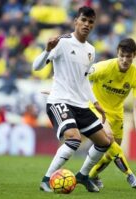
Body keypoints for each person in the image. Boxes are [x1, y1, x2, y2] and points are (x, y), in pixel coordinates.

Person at [32, 6, 111, 193]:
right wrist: (46, 50)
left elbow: (84, 81)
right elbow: (36, 67)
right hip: (59, 101)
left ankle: (82, 175)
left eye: (90, 22)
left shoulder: (91, 50)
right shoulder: (62, 42)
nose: (87, 24)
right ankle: (46, 180)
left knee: (105, 142)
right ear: (76, 21)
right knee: (74, 139)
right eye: (83, 20)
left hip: (80, 104)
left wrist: (96, 104)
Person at [88, 38, 136, 189]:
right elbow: (81, 76)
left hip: (117, 115)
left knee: (111, 153)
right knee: (108, 138)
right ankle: (130, 175)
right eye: (121, 55)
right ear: (117, 53)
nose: (124, 60)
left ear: (134, 55)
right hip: (96, 109)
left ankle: (90, 176)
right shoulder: (103, 67)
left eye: (128, 56)